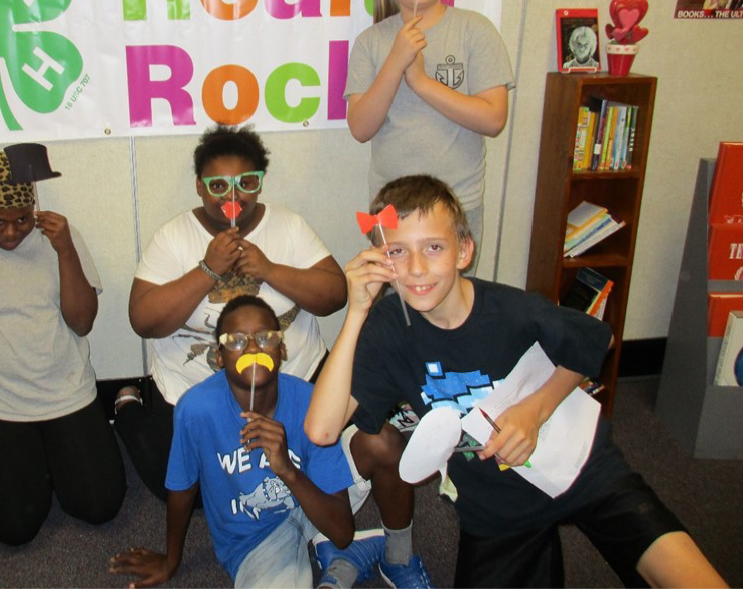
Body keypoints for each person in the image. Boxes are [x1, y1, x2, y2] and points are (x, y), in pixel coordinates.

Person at [305, 174, 728, 588]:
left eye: (433, 247)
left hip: (578, 463)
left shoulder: (511, 310)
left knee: (683, 572)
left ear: (464, 250)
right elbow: (322, 429)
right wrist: (357, 312)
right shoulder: (387, 327)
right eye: (397, 251)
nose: (416, 269)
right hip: (496, 503)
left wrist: (535, 409)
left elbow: (597, 339)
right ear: (379, 260)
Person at [114, 125, 347, 501]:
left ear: (259, 183)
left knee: (321, 465)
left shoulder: (287, 224)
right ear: (200, 186)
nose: (232, 196)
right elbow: (143, 320)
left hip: (292, 377)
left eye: (246, 183)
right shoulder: (174, 236)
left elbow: (335, 295)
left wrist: (270, 270)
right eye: (218, 185)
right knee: (182, 489)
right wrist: (208, 270)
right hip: (195, 388)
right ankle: (129, 407)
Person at [110, 295, 387, 589]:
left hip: (308, 499)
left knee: (383, 442)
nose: (253, 348)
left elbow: (342, 529)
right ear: (219, 357)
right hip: (254, 542)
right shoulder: (196, 409)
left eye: (266, 337)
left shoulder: (309, 400)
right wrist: (171, 559)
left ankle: (394, 558)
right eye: (237, 340)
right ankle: (334, 556)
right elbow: (183, 487)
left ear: (282, 349)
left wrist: (287, 470)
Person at [0, 149, 125, 545]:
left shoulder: (60, 240)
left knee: (101, 505)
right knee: (12, 528)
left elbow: (82, 321)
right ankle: (36, 460)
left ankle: (47, 457)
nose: (9, 232)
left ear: (33, 206)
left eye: (22, 219)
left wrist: (65, 250)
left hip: (64, 392)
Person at [343, 0, 514, 273]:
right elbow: (360, 128)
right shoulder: (371, 42)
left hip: (458, 205)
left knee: (453, 309)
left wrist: (420, 82)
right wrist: (396, 61)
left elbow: (494, 119)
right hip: (392, 212)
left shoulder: (475, 30)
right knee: (398, 308)